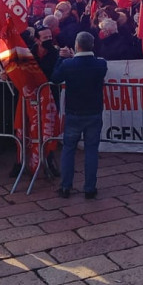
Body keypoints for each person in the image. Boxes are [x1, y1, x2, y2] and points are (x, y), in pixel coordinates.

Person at [52, 32, 108, 199]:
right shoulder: (101, 64)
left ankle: (65, 186)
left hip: (74, 112)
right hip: (93, 111)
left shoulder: (69, 64)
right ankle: (90, 188)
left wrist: (62, 58)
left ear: (77, 45)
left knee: (69, 149)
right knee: (91, 150)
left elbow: (55, 78)